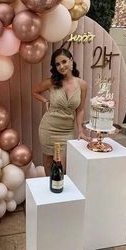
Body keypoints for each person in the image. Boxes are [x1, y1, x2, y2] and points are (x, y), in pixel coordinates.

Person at [32, 47, 89, 176]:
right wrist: (45, 101)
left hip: (66, 131)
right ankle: (49, 188)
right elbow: (35, 92)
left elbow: (80, 110)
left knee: (62, 167)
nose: (61, 66)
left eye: (64, 62)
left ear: (71, 60)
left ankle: (59, 189)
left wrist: (80, 130)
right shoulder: (52, 82)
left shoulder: (82, 85)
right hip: (48, 128)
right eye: (57, 64)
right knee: (48, 162)